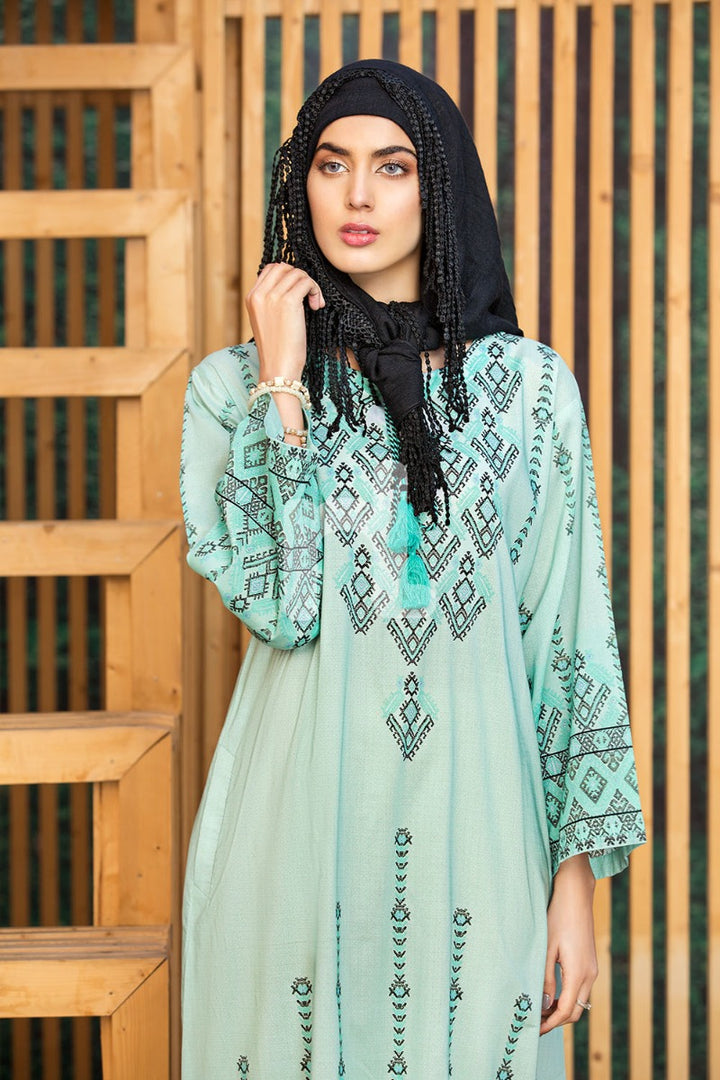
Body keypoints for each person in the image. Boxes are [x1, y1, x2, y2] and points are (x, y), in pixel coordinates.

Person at [180, 58, 645, 1079]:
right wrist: (283, 385)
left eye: (392, 167)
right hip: (292, 832)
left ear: (438, 188)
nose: (358, 194)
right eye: (331, 164)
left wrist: (575, 888)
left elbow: (568, 637)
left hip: (486, 838)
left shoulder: (529, 391)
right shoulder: (232, 390)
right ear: (299, 184)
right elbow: (282, 605)